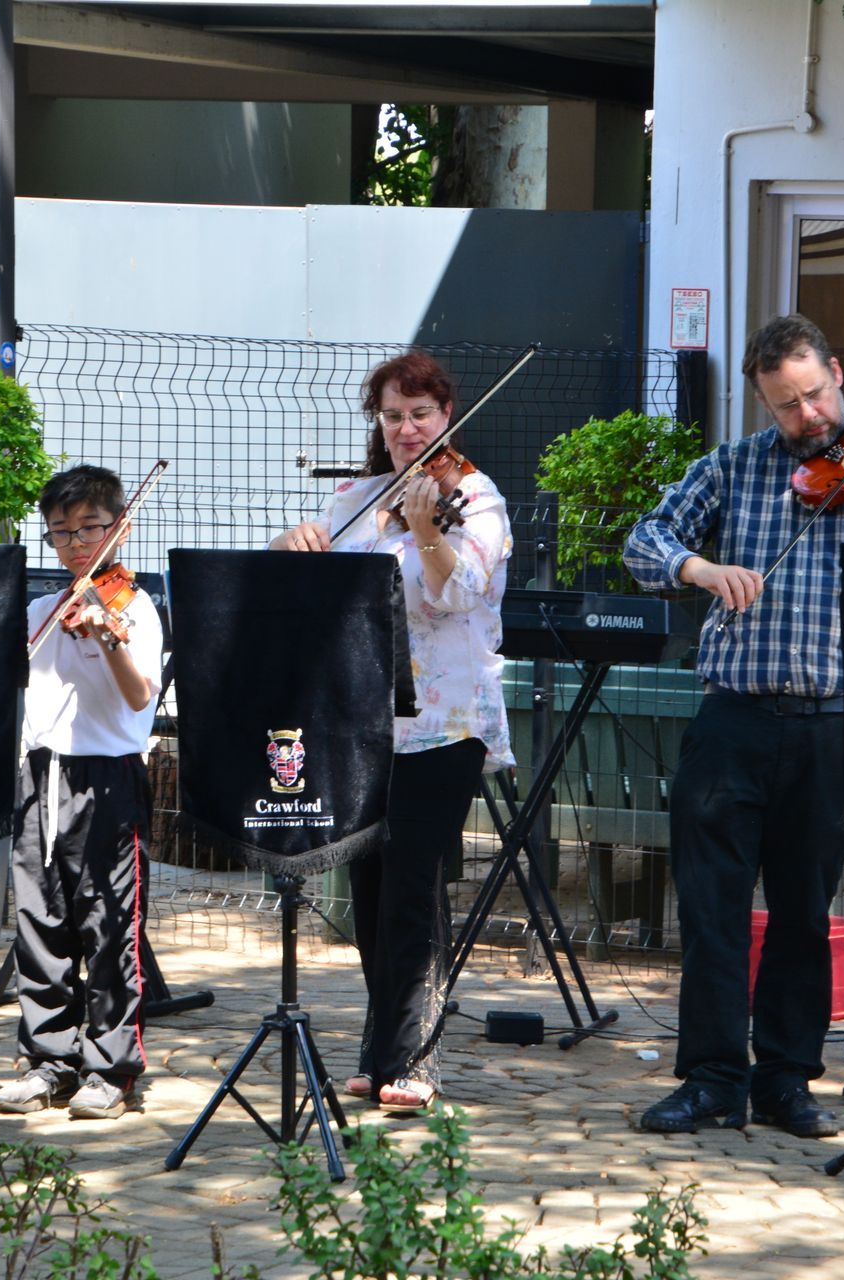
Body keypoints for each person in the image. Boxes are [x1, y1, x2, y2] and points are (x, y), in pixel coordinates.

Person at [622, 313, 844, 1137]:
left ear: (836, 373)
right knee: (710, 907)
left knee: (804, 912)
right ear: (763, 404)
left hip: (831, 725)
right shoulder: (731, 467)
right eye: (785, 407)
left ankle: (784, 1079)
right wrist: (700, 568)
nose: (807, 420)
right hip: (732, 720)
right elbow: (644, 540)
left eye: (813, 397)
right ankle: (710, 1076)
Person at [271, 351, 513, 1114]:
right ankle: (382, 1045)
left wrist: (425, 532)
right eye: (393, 416)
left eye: (421, 414)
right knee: (369, 889)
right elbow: (314, 600)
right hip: (363, 721)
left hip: (445, 724)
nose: (407, 429)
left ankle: (416, 1055)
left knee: (412, 882)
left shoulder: (476, 497)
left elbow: (460, 593)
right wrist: (293, 550)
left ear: (447, 416)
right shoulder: (355, 498)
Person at [0, 466, 162, 1121]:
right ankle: (49, 1060)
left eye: (89, 528)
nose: (74, 545)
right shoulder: (40, 610)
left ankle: (112, 1068)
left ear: (121, 526)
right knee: (39, 921)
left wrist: (107, 636)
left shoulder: (134, 608)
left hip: (107, 777)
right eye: (60, 532)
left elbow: (138, 693)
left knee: (110, 922)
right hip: (40, 772)